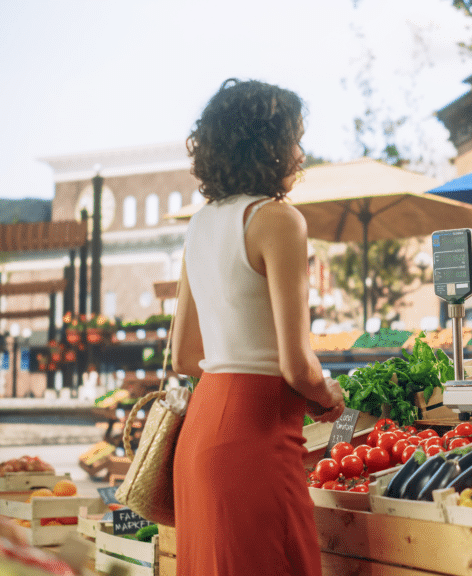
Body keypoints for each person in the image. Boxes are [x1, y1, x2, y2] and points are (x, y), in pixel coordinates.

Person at [171, 78, 345, 576]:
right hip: (255, 440)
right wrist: (327, 394)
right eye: (294, 138)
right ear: (266, 145)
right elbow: (296, 363)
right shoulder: (278, 220)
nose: (299, 153)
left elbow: (185, 356)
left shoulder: (200, 225)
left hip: (201, 434)